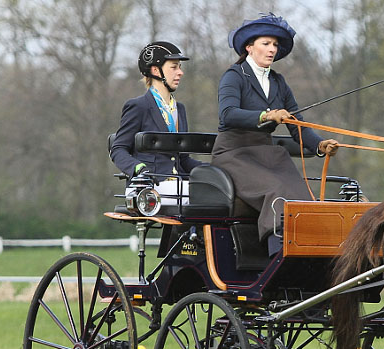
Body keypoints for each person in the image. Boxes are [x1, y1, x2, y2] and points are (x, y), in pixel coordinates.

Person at [211, 13, 339, 251]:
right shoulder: (234, 76)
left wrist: (320, 146)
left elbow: (296, 124)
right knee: (277, 191)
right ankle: (278, 253)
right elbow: (227, 114)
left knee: (301, 193)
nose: (272, 50)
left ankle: (310, 251)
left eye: (275, 45)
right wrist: (266, 115)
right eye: (266, 44)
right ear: (249, 47)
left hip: (266, 153)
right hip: (233, 153)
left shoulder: (279, 82)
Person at [110, 41, 204, 178]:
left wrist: (214, 168)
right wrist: (138, 168)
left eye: (180, 67)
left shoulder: (180, 109)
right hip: (150, 187)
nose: (180, 72)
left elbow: (183, 160)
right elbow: (118, 150)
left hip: (179, 187)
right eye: (174, 67)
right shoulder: (138, 106)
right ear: (155, 70)